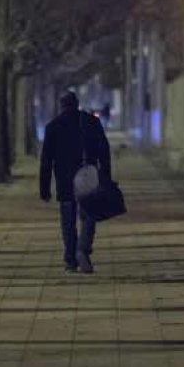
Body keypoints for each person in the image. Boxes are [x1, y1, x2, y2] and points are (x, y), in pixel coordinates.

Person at [39, 90, 112, 273]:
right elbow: (104, 151)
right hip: (88, 176)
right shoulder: (91, 123)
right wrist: (106, 177)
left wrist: (44, 188)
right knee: (89, 216)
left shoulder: (53, 127)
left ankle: (71, 258)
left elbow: (46, 161)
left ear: (61, 106)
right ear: (77, 104)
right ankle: (83, 248)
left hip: (64, 181)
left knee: (68, 220)